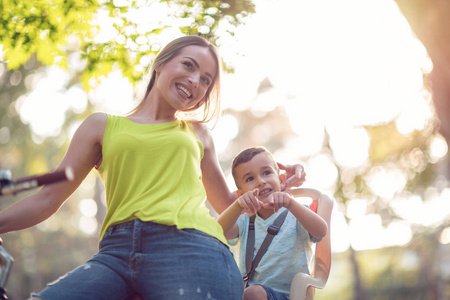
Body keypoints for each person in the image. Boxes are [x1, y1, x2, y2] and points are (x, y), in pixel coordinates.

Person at [0, 36, 306, 300]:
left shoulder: (197, 133)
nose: (196, 81)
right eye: (189, 65)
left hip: (193, 247)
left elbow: (231, 205)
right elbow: (46, 199)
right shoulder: (101, 126)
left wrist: (281, 185)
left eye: (206, 80)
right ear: (160, 64)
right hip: (115, 254)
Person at [217, 146, 328, 300]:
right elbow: (217, 231)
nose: (261, 182)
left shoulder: (296, 213)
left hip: (291, 295)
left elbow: (321, 231)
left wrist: (290, 203)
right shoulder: (244, 223)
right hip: (252, 295)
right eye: (250, 179)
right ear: (241, 194)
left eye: (267, 173)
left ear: (281, 180)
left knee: (253, 293)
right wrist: (237, 205)